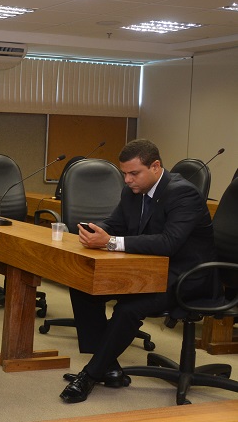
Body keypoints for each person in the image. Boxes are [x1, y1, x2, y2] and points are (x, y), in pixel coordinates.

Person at [60, 139, 215, 403]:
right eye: (125, 174)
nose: (127, 180)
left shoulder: (183, 193)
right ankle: (109, 367)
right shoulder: (132, 191)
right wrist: (95, 230)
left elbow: (169, 243)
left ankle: (90, 374)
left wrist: (110, 242)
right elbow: (115, 223)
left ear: (155, 167)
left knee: (129, 307)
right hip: (147, 271)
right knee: (83, 285)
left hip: (186, 277)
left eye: (134, 173)